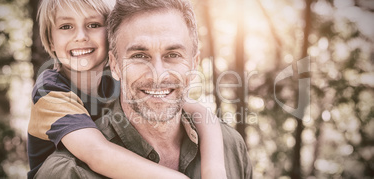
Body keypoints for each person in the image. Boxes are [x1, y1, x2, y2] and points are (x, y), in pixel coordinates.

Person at [34, 0, 253, 178]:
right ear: (116, 64)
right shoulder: (51, 92)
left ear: (194, 63)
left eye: (173, 55)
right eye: (139, 56)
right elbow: (96, 153)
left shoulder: (230, 147)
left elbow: (199, 111)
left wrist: (214, 168)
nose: (157, 74)